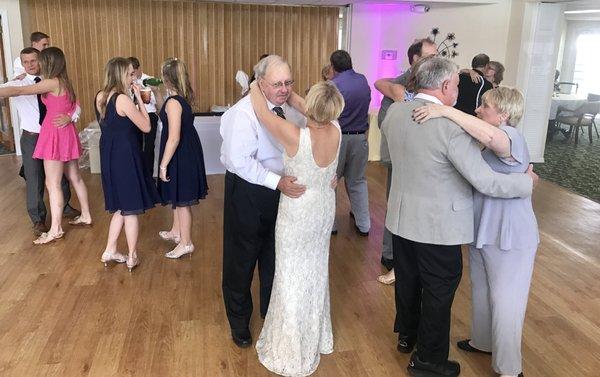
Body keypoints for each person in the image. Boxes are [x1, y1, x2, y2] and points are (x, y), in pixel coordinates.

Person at [381, 57, 536, 377]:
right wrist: (527, 182)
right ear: (445, 86)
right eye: (456, 84)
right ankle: (429, 361)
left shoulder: (395, 112)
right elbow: (485, 181)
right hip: (439, 226)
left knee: (408, 282)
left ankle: (407, 336)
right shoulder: (450, 129)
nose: (463, 93)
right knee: (438, 290)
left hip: (401, 217)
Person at [251, 75, 343, 376]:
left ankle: (291, 349)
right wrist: (289, 95)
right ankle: (316, 337)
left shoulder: (296, 136)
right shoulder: (337, 130)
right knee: (315, 272)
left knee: (290, 275)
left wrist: (256, 84)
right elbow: (310, 108)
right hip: (323, 208)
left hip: (298, 210)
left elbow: (263, 114)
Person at [220, 55, 307, 348]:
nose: (284, 89)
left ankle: (272, 317)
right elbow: (239, 161)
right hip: (247, 191)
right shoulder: (242, 113)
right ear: (260, 84)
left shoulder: (290, 110)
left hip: (282, 193)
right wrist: (277, 182)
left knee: (274, 258)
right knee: (241, 261)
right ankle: (240, 324)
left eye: (288, 83)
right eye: (277, 84)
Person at [0, 47, 92, 245]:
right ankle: (86, 214)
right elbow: (72, 105)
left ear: (48, 62)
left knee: (52, 184)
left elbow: (20, 90)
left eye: (39, 60)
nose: (36, 64)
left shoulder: (51, 82)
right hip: (65, 132)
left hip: (54, 135)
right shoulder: (65, 80)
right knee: (74, 177)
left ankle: (55, 229)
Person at [374, 38, 438, 284]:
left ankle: (403, 260)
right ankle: (394, 259)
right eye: (430, 57)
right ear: (415, 60)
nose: (435, 61)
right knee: (398, 207)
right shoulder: (403, 83)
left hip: (422, 158)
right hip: (403, 157)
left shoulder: (426, 83)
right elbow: (381, 84)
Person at [94, 57, 161, 271]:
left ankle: (110, 249)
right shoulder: (122, 99)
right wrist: (141, 99)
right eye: (130, 74)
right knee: (130, 208)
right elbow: (146, 126)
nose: (134, 77)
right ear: (122, 74)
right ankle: (132, 255)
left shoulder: (101, 96)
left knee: (121, 206)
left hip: (109, 154)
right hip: (125, 156)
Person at [156, 58, 208, 259]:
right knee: (178, 195)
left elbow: (174, 137)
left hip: (181, 153)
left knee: (183, 200)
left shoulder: (174, 103)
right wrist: (156, 94)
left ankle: (186, 242)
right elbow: (166, 115)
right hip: (186, 150)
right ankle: (177, 232)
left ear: (166, 78)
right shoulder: (179, 99)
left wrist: (163, 165)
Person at [329, 50, 371, 236]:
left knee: (331, 182)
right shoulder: (363, 80)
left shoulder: (332, 85)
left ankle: (331, 226)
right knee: (358, 182)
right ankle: (364, 225)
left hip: (337, 140)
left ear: (333, 66)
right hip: (360, 137)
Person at [129, 57, 159, 178]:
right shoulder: (127, 81)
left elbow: (156, 101)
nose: (132, 75)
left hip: (150, 114)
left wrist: (144, 93)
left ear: (138, 69)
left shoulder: (149, 80)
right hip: (134, 115)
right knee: (135, 145)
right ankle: (138, 175)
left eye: (133, 72)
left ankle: (149, 176)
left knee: (149, 146)